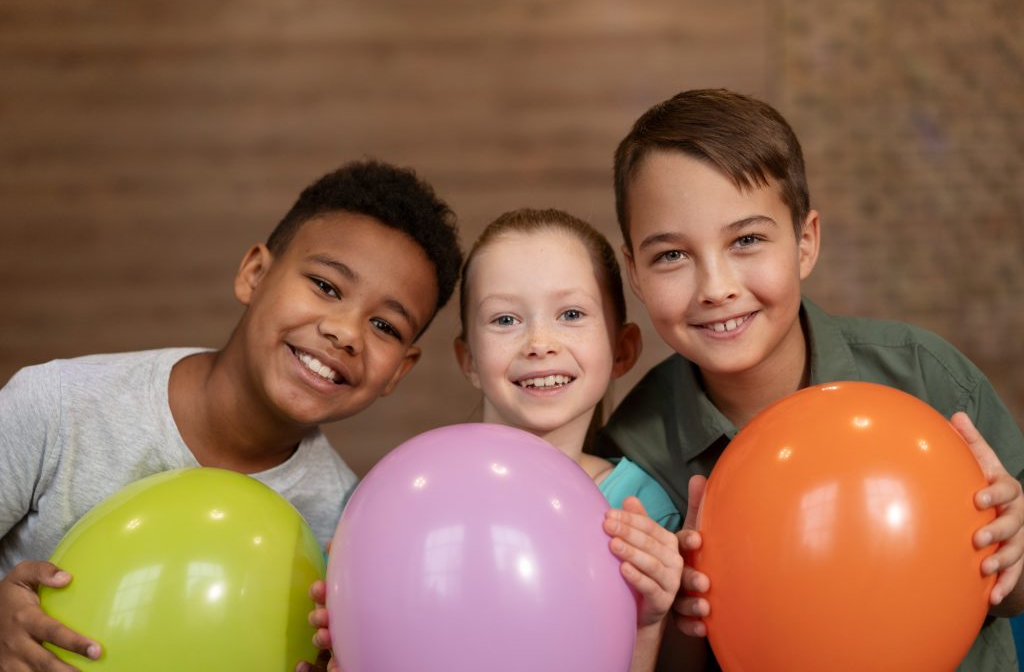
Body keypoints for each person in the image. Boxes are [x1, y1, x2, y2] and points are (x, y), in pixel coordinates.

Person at [594, 87, 1024, 670]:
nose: (716, 287)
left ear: (804, 242)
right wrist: (685, 617)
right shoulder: (632, 455)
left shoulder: (927, 377)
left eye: (746, 240)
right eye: (671, 255)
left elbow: (1013, 593)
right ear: (636, 275)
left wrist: (1013, 547)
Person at [0, 159, 463, 670]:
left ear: (399, 371)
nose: (346, 332)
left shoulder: (346, 530)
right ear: (254, 275)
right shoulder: (58, 405)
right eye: (327, 287)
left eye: (385, 326)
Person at [307, 208, 685, 672]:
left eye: (571, 314)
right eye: (505, 320)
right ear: (468, 358)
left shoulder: (642, 514)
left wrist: (648, 624)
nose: (539, 342)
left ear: (622, 348)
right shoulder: (408, 499)